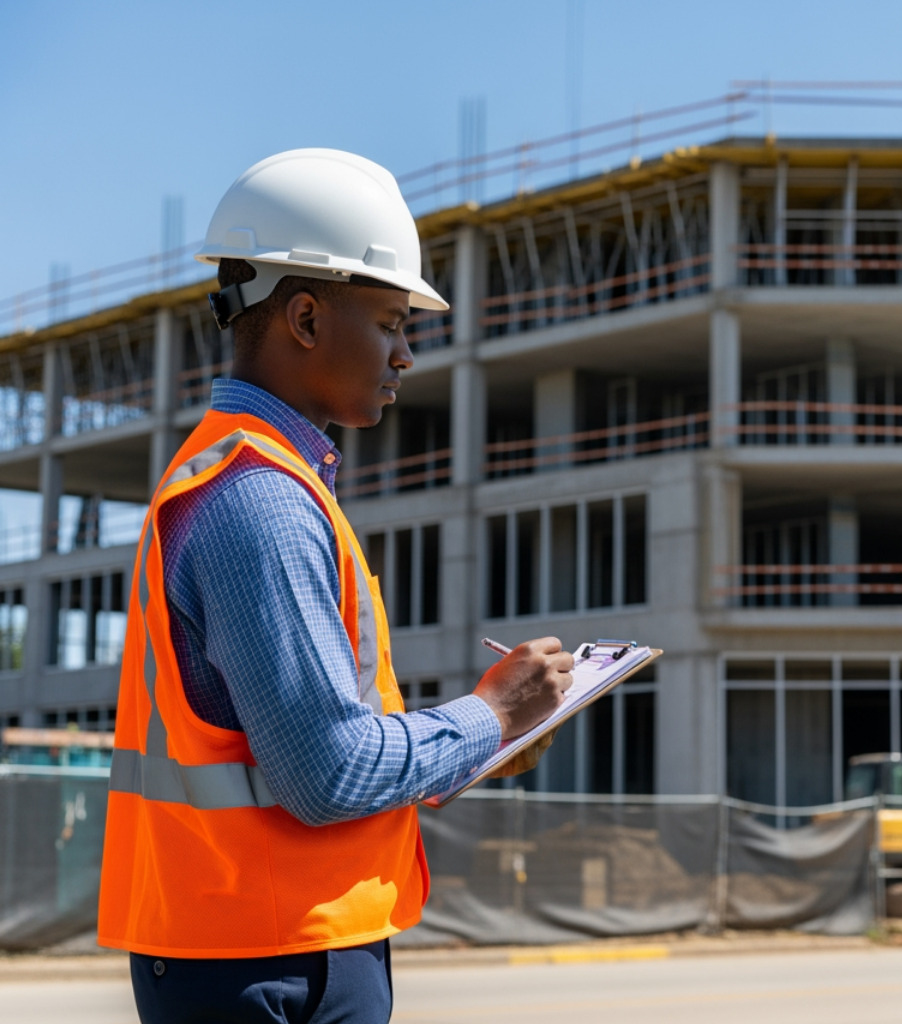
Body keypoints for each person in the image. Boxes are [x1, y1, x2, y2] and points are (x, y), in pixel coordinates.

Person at [98, 148, 573, 1023]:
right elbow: (324, 772)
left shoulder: (254, 479)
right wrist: (492, 714)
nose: (406, 354)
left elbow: (293, 759)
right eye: (393, 321)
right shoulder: (262, 501)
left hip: (262, 948)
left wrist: (484, 742)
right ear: (307, 317)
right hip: (270, 964)